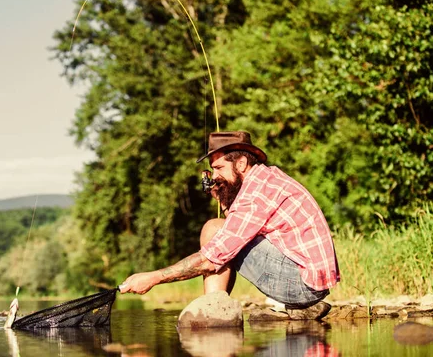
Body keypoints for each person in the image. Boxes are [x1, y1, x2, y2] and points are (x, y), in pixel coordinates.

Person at [120, 131, 340, 319]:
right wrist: (223, 198)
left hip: (302, 285)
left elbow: (212, 256)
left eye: (219, 168)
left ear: (241, 163)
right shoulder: (266, 179)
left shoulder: (256, 193)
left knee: (213, 229)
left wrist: (153, 277)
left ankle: (214, 312)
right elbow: (238, 226)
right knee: (221, 230)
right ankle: (300, 308)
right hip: (311, 283)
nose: (215, 176)